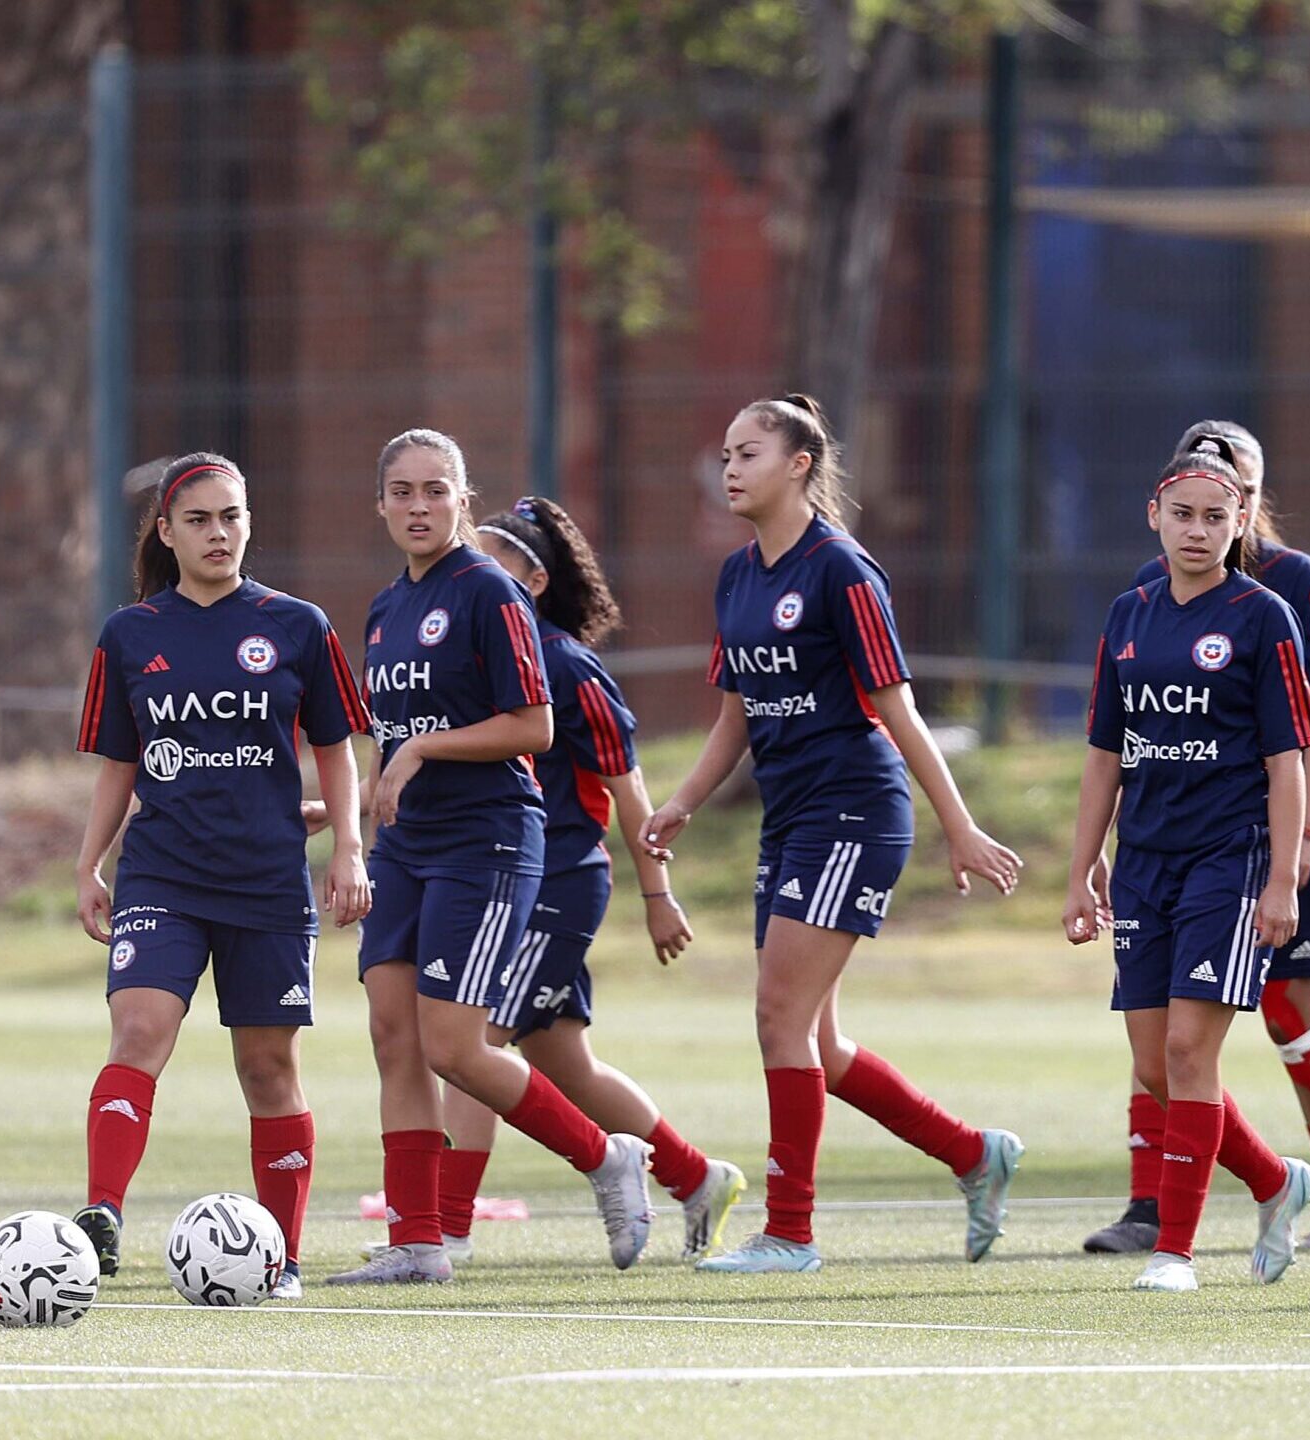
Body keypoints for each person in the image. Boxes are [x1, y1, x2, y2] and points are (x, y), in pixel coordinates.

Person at [645, 395, 1025, 1274]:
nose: (730, 468)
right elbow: (735, 714)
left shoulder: (843, 571)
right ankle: (974, 1155)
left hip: (855, 808)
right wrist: (686, 801)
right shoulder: (740, 575)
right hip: (790, 818)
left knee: (778, 1017)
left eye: (748, 453)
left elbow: (900, 711)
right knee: (816, 1041)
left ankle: (791, 1233)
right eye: (726, 453)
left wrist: (959, 827)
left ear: (800, 465)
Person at [360, 497, 746, 1267]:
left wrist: (658, 894)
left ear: (535, 579)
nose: (479, 565)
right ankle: (696, 1176)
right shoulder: (454, 648)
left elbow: (627, 786)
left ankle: (451, 1225)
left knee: (474, 1038)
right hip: (492, 876)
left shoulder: (564, 662)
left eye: (500, 555)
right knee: (566, 1065)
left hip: (556, 878)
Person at [328, 429, 653, 1285]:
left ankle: (605, 1157)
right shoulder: (385, 607)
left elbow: (533, 727)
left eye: (436, 490)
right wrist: (348, 831)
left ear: (463, 501)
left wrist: (424, 749)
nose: (419, 506)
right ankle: (418, 1242)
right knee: (393, 1038)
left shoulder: (490, 593)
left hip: (489, 838)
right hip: (407, 846)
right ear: (382, 505)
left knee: (454, 1046)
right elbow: (386, 745)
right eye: (402, 492)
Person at [72, 454, 370, 1300]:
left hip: (268, 883)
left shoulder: (297, 626)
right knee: (137, 1032)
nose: (218, 533)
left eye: (231, 516)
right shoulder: (131, 633)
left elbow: (337, 750)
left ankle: (285, 1258)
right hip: (161, 874)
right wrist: (89, 865)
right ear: (166, 533)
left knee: (268, 1071)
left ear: (249, 522)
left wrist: (349, 848)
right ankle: (101, 1219)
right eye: (199, 519)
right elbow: (118, 765)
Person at [1085, 422, 1310, 1257]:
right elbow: (1113, 742)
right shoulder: (1145, 596)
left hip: (1263, 839)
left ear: (1249, 499)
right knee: (1167, 1032)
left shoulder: (1287, 587)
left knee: (1287, 1014)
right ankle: (1153, 1203)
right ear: (1162, 506)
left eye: (1227, 493)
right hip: (1162, 848)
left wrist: (1302, 835)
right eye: (1187, 502)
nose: (1204, 517)